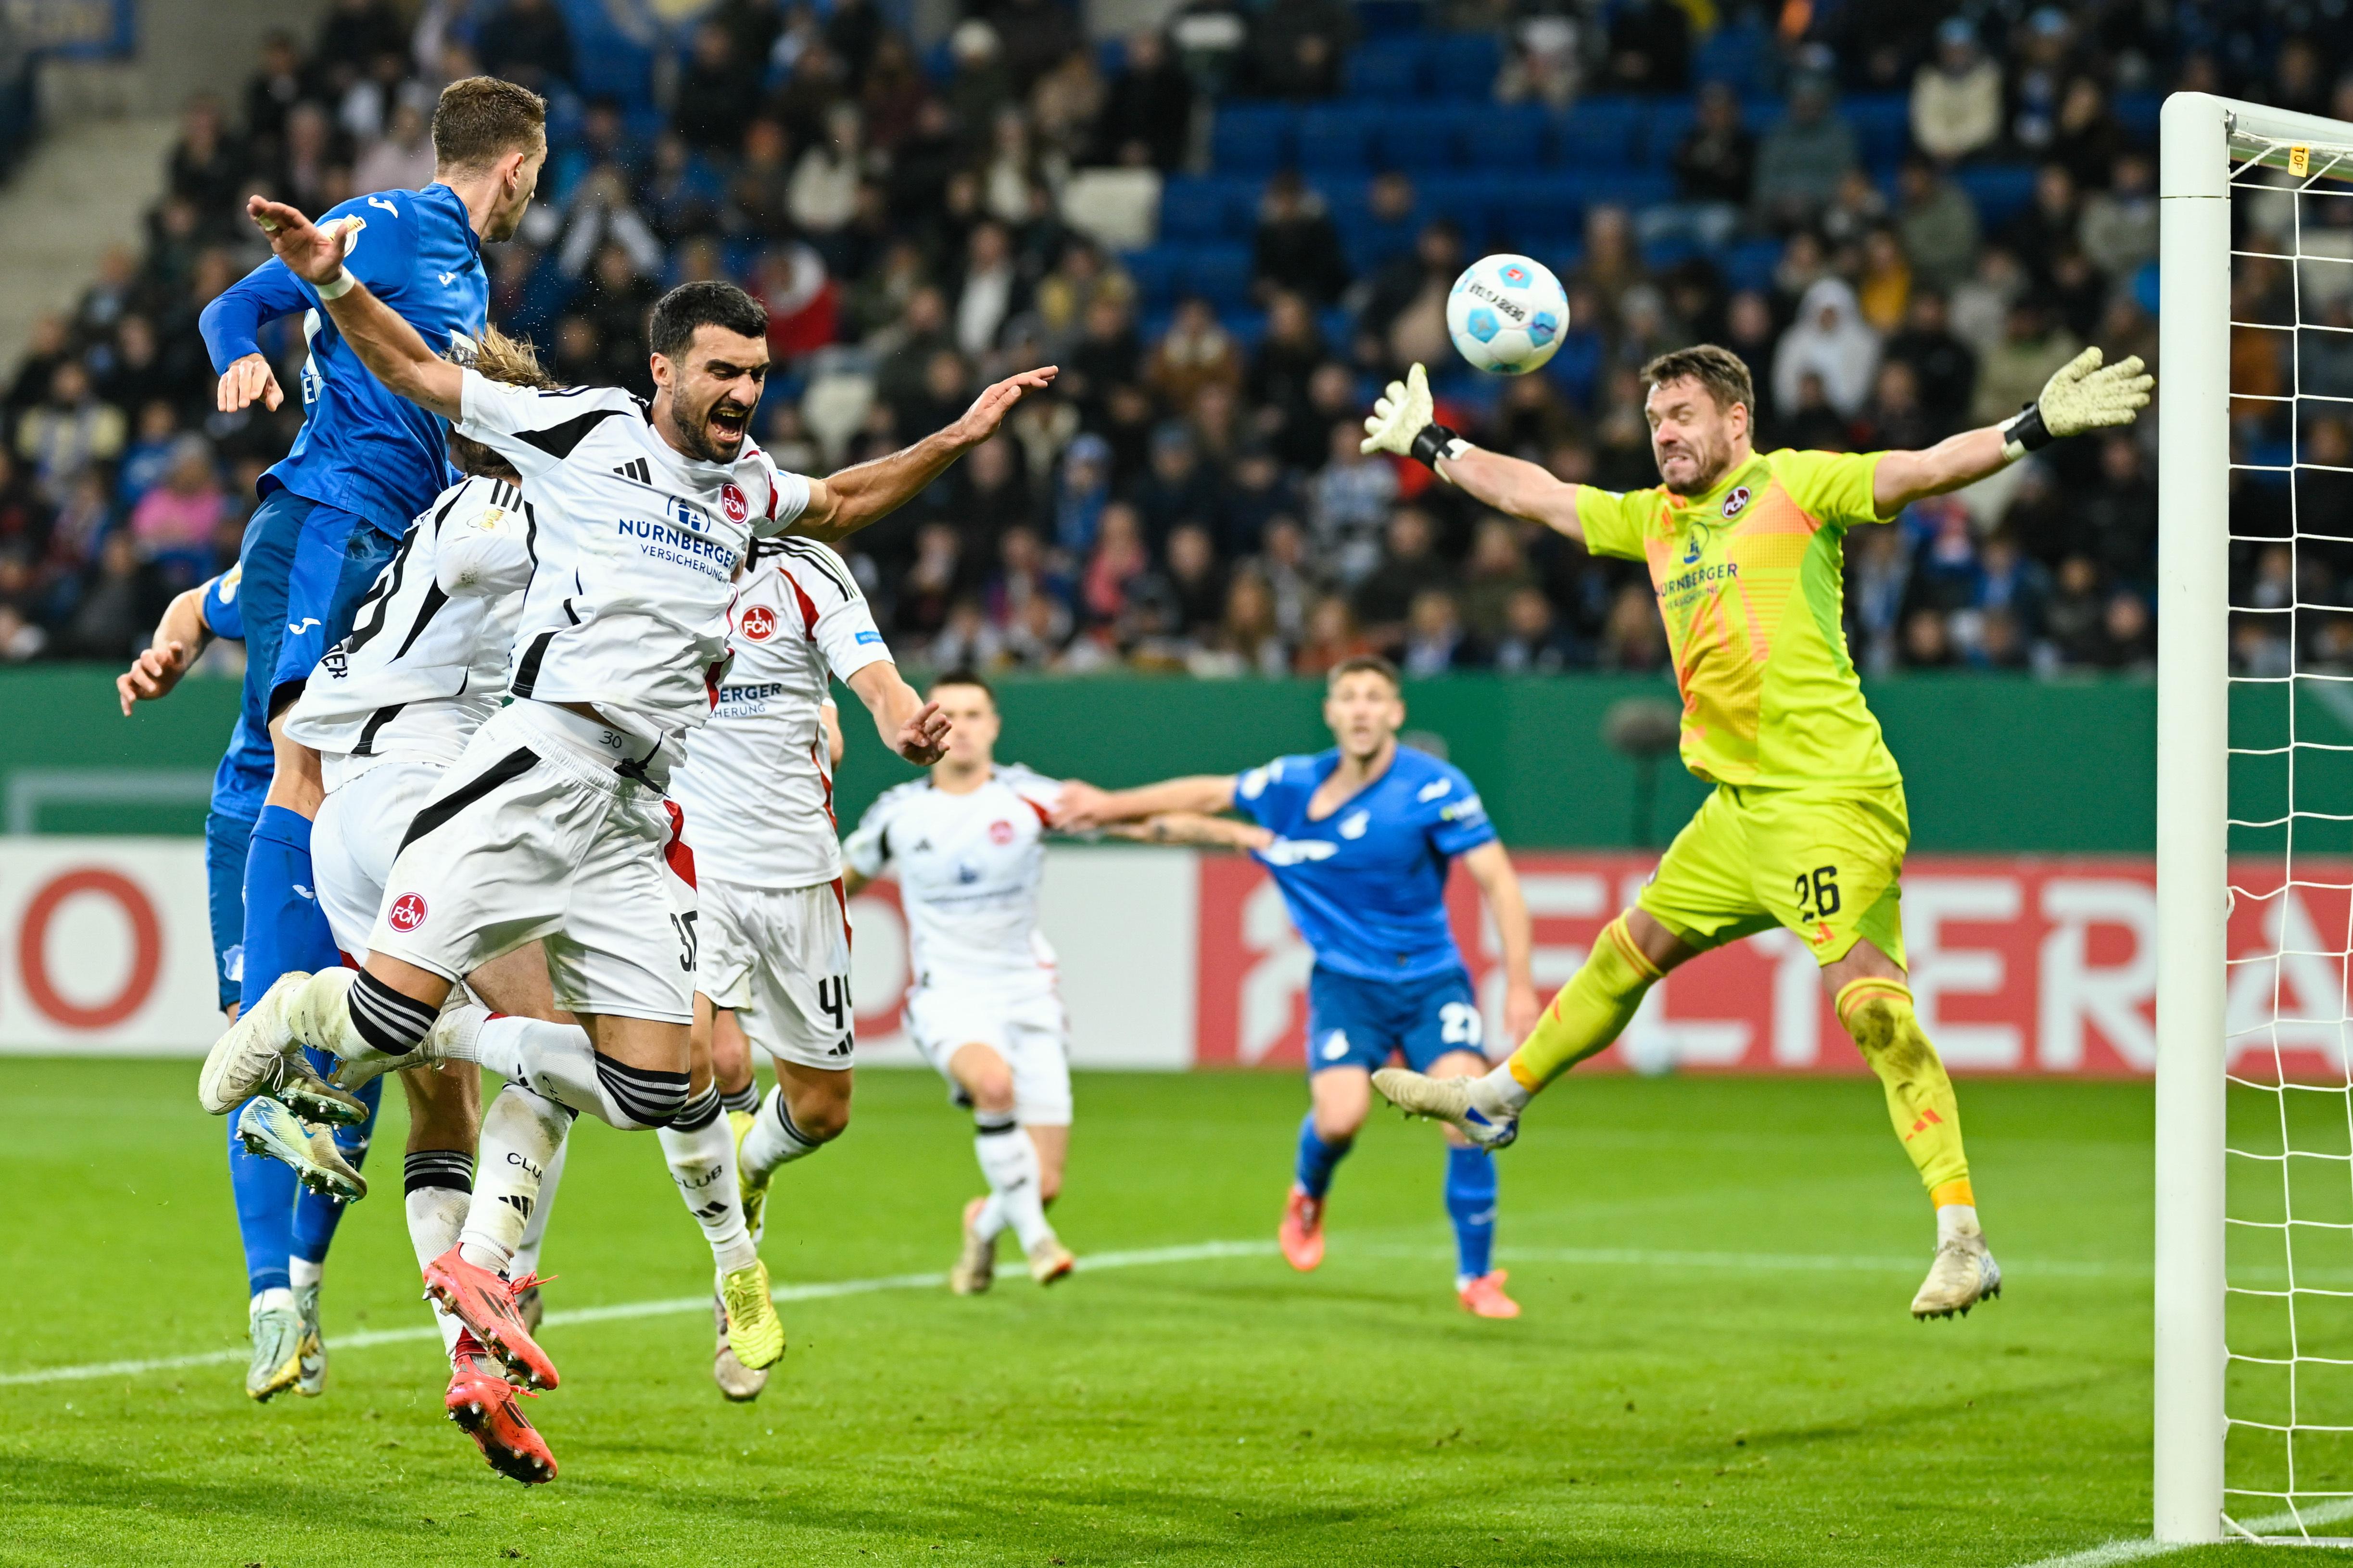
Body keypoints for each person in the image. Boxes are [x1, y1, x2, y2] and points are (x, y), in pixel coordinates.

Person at [199, 186, 1049, 1455]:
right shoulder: (584, 434)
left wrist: (959, 437)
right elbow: (423, 374)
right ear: (663, 369)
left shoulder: (749, 488)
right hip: (536, 763)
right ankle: (293, 1021)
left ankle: (457, 1150)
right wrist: (330, 282)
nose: (742, 394)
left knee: (658, 1084)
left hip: (634, 809)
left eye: (756, 375)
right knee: (386, 1022)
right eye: (721, 372)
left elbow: (845, 502)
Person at [1356, 341, 2151, 1318]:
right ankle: (1495, 1100)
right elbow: (1540, 496)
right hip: (1736, 812)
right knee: (1626, 952)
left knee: (1873, 1014)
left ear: (1736, 421)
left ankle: (1962, 1238)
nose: (1664, 435)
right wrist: (1434, 444)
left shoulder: (1798, 485)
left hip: (1830, 800)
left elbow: (1920, 470)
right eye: (1654, 420)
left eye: (1682, 415)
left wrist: (2030, 427)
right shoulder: (1655, 520)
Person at [191, 76, 549, 1397]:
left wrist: (186, 613)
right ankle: (282, 1033)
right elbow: (242, 300)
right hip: (337, 516)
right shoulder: (396, 223)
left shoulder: (466, 272)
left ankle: (298, 1270)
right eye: (536, 174)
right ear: (516, 164)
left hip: (385, 553)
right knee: (296, 754)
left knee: (383, 986)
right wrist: (240, 347)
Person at [272, 327, 579, 1482]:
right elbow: (533, 553)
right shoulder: (497, 506)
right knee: (553, 1041)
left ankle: (468, 1358)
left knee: (444, 1099)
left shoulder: (429, 516)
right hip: (421, 798)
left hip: (357, 816)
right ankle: (491, 1271)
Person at [1054, 658, 1539, 1316]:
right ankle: (1309, 1192)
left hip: (1431, 982)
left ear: (1396, 713)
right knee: (1340, 1118)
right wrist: (1107, 808)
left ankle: (1476, 1278)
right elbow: (1208, 798)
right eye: (1349, 697)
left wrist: (1519, 984)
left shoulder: (1434, 787)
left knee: (1469, 1113)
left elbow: (1500, 883)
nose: (1362, 709)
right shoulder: (1292, 784)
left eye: (1375, 697)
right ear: (1330, 712)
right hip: (1346, 985)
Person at [668, 533, 938, 1403]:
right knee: (692, 1060)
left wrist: (902, 724)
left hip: (799, 879)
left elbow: (879, 685)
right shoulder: (649, 550)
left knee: (822, 1111)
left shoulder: (805, 570)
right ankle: (735, 1271)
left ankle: (747, 1167)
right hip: (692, 864)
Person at [114, 569, 370, 1404]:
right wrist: (168, 653)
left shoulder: (410, 546)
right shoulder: (289, 549)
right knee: (256, 1042)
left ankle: (304, 1279)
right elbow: (195, 607)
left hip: (362, 821)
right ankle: (270, 1304)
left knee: (356, 1053)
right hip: (252, 816)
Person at [839, 673, 1080, 1293]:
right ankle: (1039, 1243)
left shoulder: (1029, 797)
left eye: (976, 714)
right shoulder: (899, 813)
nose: (964, 727)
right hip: (949, 998)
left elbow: (1120, 819)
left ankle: (985, 1222)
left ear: (995, 726)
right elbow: (842, 882)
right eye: (951, 715)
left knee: (1043, 1183)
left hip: (1029, 996)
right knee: (994, 1086)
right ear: (926, 726)